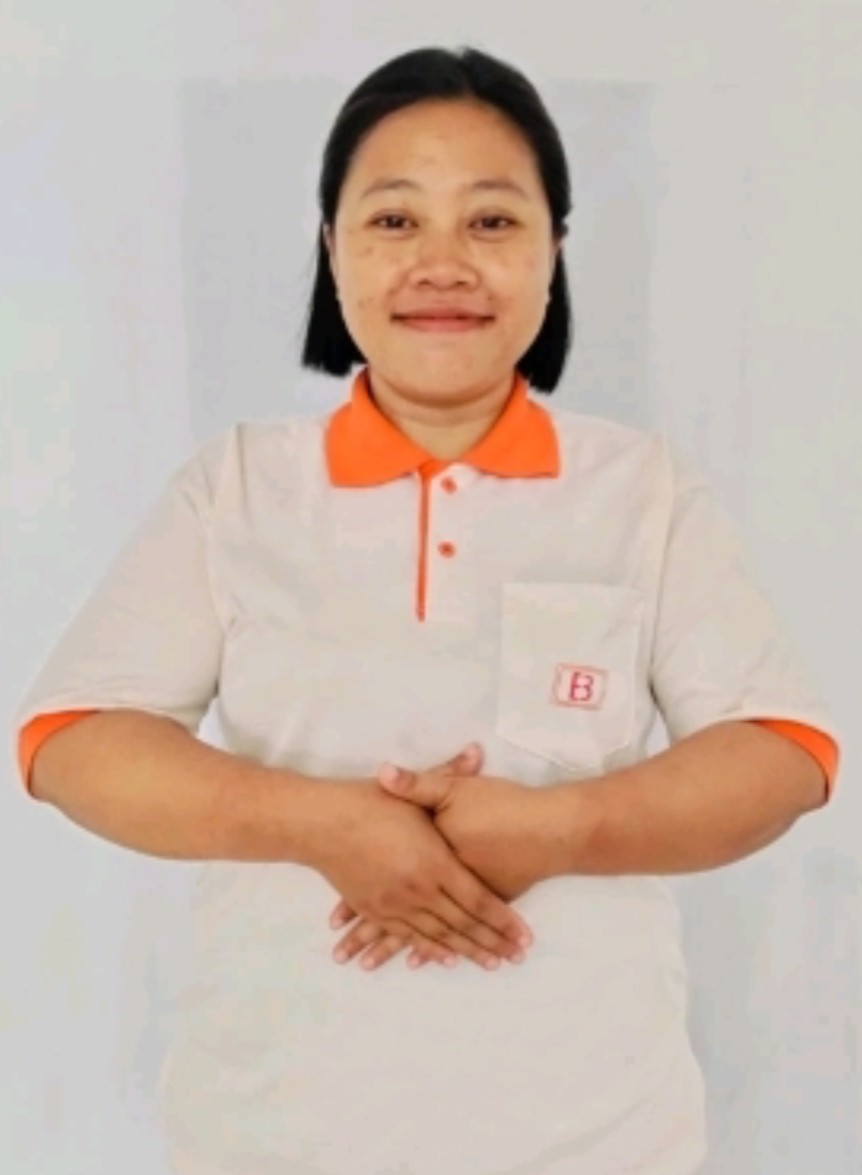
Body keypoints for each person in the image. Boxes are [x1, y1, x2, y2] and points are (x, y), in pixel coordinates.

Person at [14, 44, 840, 1175]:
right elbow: (72, 741)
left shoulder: (641, 490)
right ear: (332, 250)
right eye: (394, 220)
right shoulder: (238, 485)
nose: (442, 263)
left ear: (554, 252)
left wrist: (561, 827)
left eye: (492, 221)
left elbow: (783, 753)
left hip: (596, 1138)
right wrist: (328, 826)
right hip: (271, 1134)